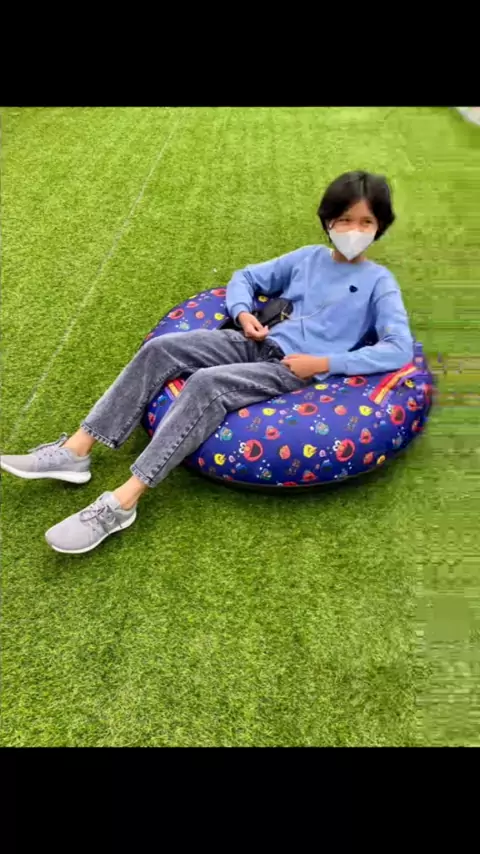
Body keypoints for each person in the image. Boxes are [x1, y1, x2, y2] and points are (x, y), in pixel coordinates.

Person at [1, 170, 414, 555]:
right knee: (161, 349)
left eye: (366, 222)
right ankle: (77, 450)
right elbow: (246, 277)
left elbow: (398, 348)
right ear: (328, 221)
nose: (354, 231)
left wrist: (323, 361)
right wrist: (243, 313)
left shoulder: (380, 283)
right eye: (345, 220)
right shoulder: (307, 258)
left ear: (380, 226)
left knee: (206, 384)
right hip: (253, 341)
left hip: (291, 369)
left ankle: (123, 501)